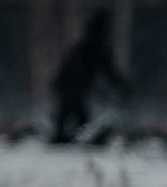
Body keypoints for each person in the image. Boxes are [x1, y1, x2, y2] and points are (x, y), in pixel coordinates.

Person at [50, 9, 131, 145]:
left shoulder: (82, 47)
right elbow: (109, 72)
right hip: (72, 87)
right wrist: (121, 86)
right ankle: (62, 140)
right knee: (76, 120)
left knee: (73, 118)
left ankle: (62, 139)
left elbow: (107, 71)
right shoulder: (95, 50)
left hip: (69, 87)